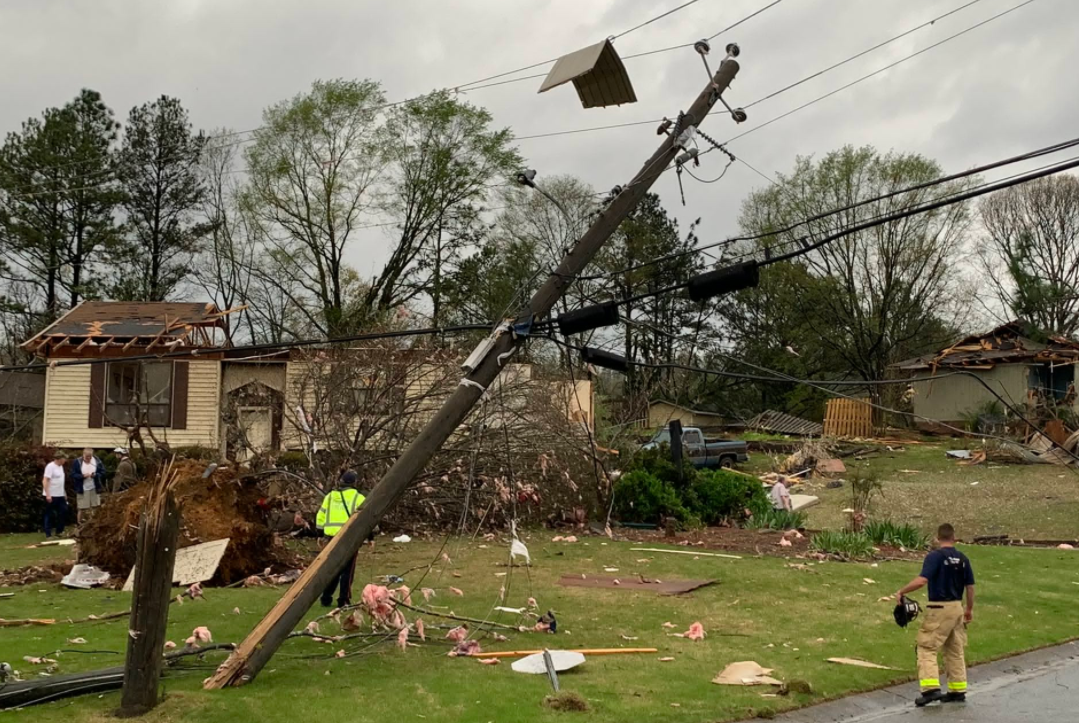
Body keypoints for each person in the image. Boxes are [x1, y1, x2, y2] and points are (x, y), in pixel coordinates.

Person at [894, 523, 976, 707]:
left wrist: (902, 591)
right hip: (957, 608)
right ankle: (957, 689)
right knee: (954, 648)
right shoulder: (963, 558)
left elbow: (923, 580)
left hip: (939, 608)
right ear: (954, 538)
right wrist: (969, 609)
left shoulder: (935, 556)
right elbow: (970, 587)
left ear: (938, 539)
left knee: (926, 646)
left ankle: (930, 689)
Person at [315, 470, 365, 608]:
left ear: (341, 481)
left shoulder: (330, 497)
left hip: (332, 537)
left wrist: (320, 534)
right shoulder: (358, 498)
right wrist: (370, 536)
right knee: (347, 571)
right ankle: (343, 600)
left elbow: (320, 515)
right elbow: (365, 518)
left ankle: (326, 598)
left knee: (333, 569)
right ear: (354, 483)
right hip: (349, 538)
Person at [70, 447, 105, 524]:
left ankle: (94, 523)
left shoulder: (97, 461)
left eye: (90, 457)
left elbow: (103, 472)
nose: (88, 458)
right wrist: (82, 476)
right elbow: (73, 474)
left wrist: (95, 475)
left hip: (94, 487)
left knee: (95, 506)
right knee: (82, 507)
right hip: (82, 488)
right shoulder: (77, 462)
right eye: (87, 457)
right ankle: (79, 523)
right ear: (83, 455)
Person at [42, 452, 69, 538]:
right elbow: (45, 480)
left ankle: (59, 531)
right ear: (59, 459)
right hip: (51, 494)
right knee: (49, 514)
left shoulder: (61, 467)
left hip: (60, 494)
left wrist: (64, 492)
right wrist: (48, 494)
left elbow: (61, 481)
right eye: (64, 459)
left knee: (63, 511)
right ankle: (48, 534)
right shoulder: (50, 467)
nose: (65, 461)